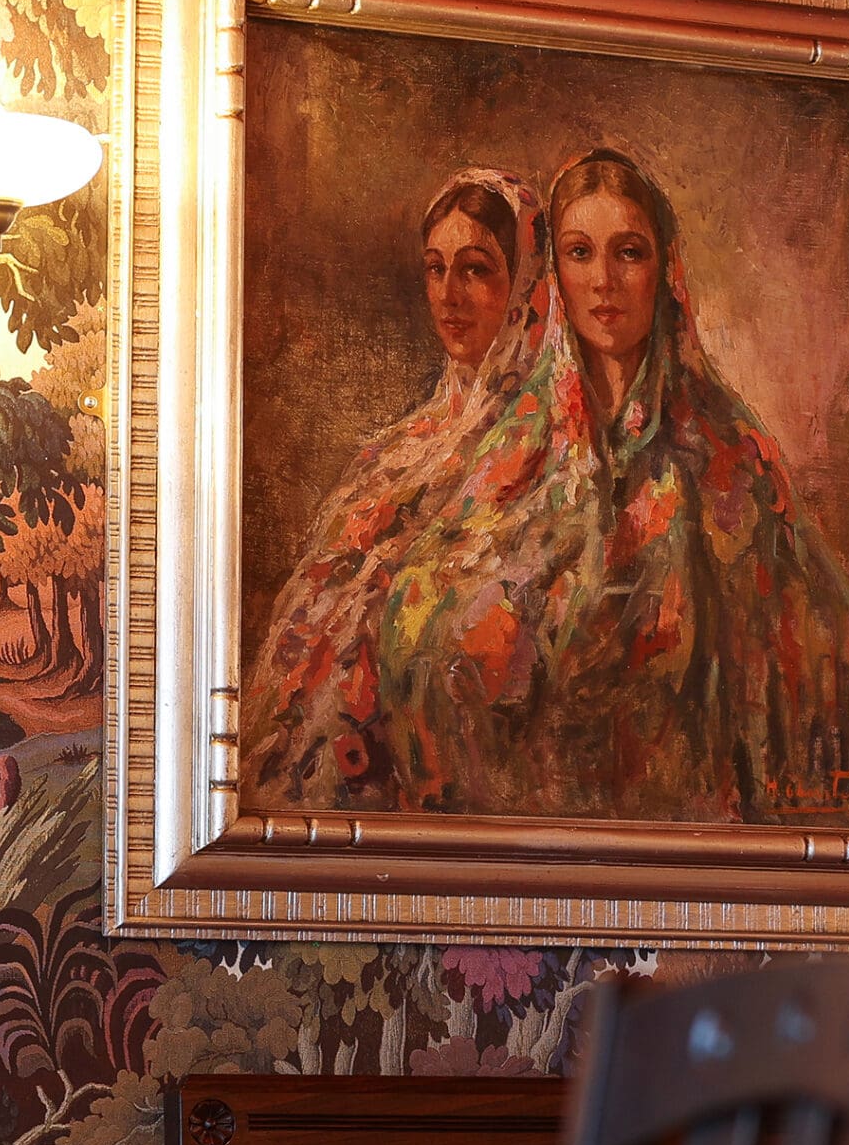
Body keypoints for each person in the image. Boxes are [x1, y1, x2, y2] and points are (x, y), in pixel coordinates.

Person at [531, 149, 849, 825]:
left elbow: (819, 631)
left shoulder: (726, 451)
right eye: (579, 252)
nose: (603, 280)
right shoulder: (515, 448)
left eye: (628, 252)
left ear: (665, 273)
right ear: (553, 275)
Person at [243, 168, 590, 812]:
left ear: (527, 289)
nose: (449, 295)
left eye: (477, 269)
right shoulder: (399, 451)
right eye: (436, 268)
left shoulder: (556, 452)